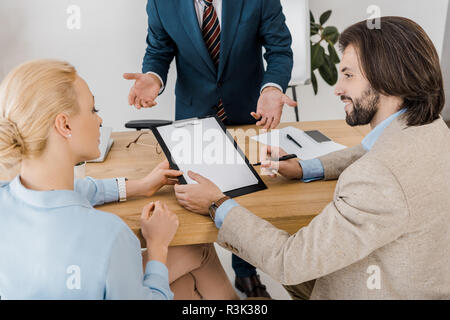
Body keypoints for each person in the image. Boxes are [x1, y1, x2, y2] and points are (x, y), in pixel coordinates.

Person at [173, 17, 450, 299]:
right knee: (197, 260)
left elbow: (289, 262)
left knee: (192, 261)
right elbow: (371, 150)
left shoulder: (377, 177)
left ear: (389, 78)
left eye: (349, 75)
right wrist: (304, 168)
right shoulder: (433, 129)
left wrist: (217, 202)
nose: (338, 88)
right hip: (400, 276)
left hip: (361, 287)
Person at [0, 59, 239, 300]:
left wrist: (141, 186)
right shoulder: (109, 236)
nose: (100, 120)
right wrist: (158, 246)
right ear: (64, 124)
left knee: (186, 284)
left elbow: (81, 189)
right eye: (93, 109)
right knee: (197, 256)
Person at [123, 0, 297, 298]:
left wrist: (271, 88)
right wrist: (153, 77)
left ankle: (246, 274)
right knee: (192, 197)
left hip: (249, 112)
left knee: (244, 197)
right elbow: (159, 50)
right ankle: (195, 270)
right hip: (193, 115)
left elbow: (279, 50)